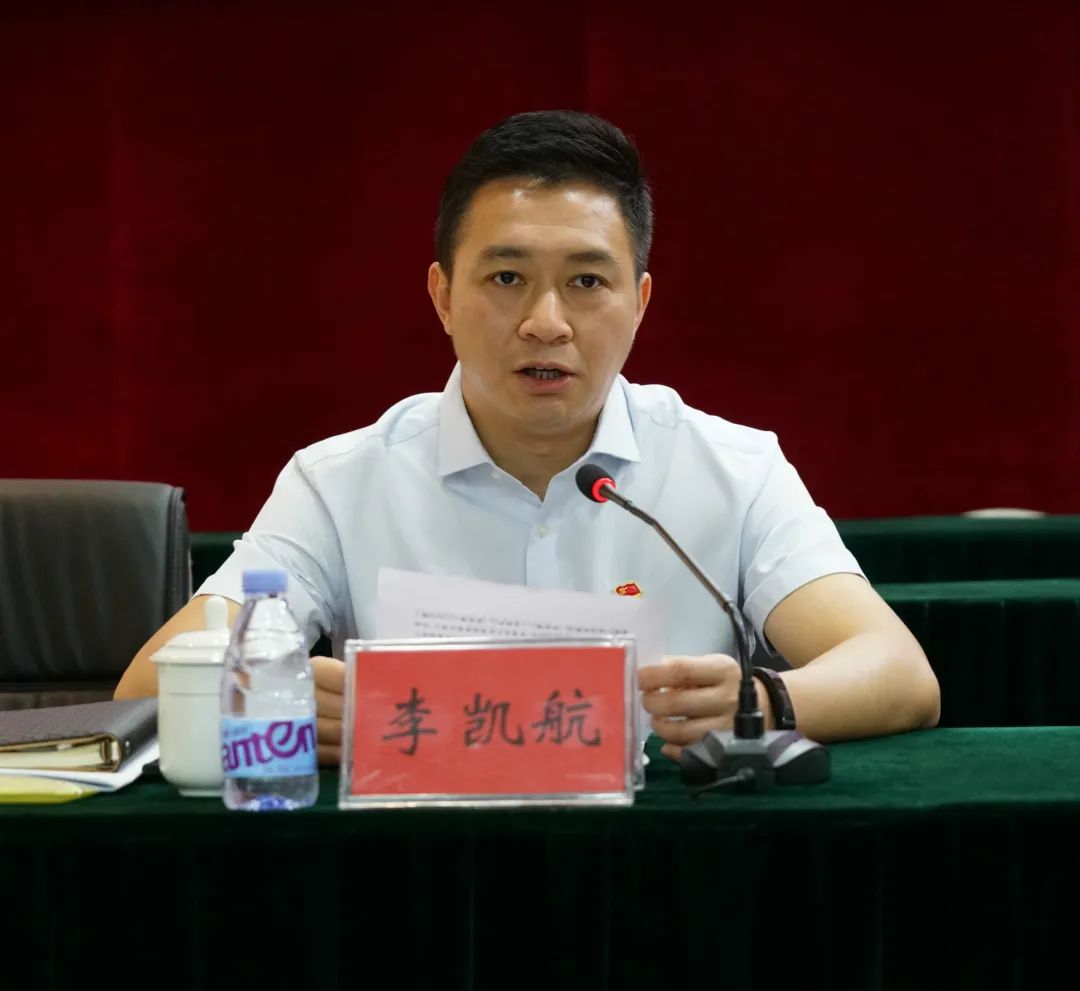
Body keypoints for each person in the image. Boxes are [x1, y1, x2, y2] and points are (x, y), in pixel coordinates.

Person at [115, 110, 940, 766]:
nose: (546, 322)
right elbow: (147, 687)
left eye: (586, 281)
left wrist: (761, 702)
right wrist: (280, 700)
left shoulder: (734, 469)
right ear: (443, 296)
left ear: (640, 302)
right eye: (507, 277)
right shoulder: (338, 482)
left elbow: (899, 672)